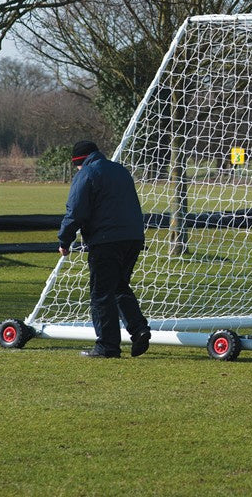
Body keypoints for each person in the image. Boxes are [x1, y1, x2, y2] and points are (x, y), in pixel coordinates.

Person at [58, 140, 152, 358]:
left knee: (101, 294)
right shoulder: (120, 170)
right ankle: (139, 330)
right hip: (133, 238)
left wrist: (65, 240)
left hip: (106, 240)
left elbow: (76, 211)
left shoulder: (87, 173)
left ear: (78, 162)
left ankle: (107, 346)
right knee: (119, 287)